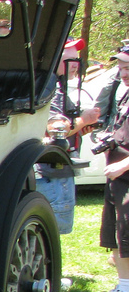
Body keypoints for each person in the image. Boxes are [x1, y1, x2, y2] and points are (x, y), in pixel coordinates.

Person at [37, 38, 100, 235]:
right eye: (70, 59)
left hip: (56, 172)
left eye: (76, 59)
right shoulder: (50, 86)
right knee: (50, 234)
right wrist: (84, 119)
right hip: (51, 173)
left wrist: (80, 129)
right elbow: (55, 127)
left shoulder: (57, 85)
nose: (76, 65)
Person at [92, 43, 129, 292]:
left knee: (127, 232)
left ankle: (126, 290)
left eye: (127, 66)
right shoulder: (125, 94)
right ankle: (123, 284)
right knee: (116, 231)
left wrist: (124, 165)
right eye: (120, 66)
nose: (122, 71)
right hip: (116, 175)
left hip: (124, 173)